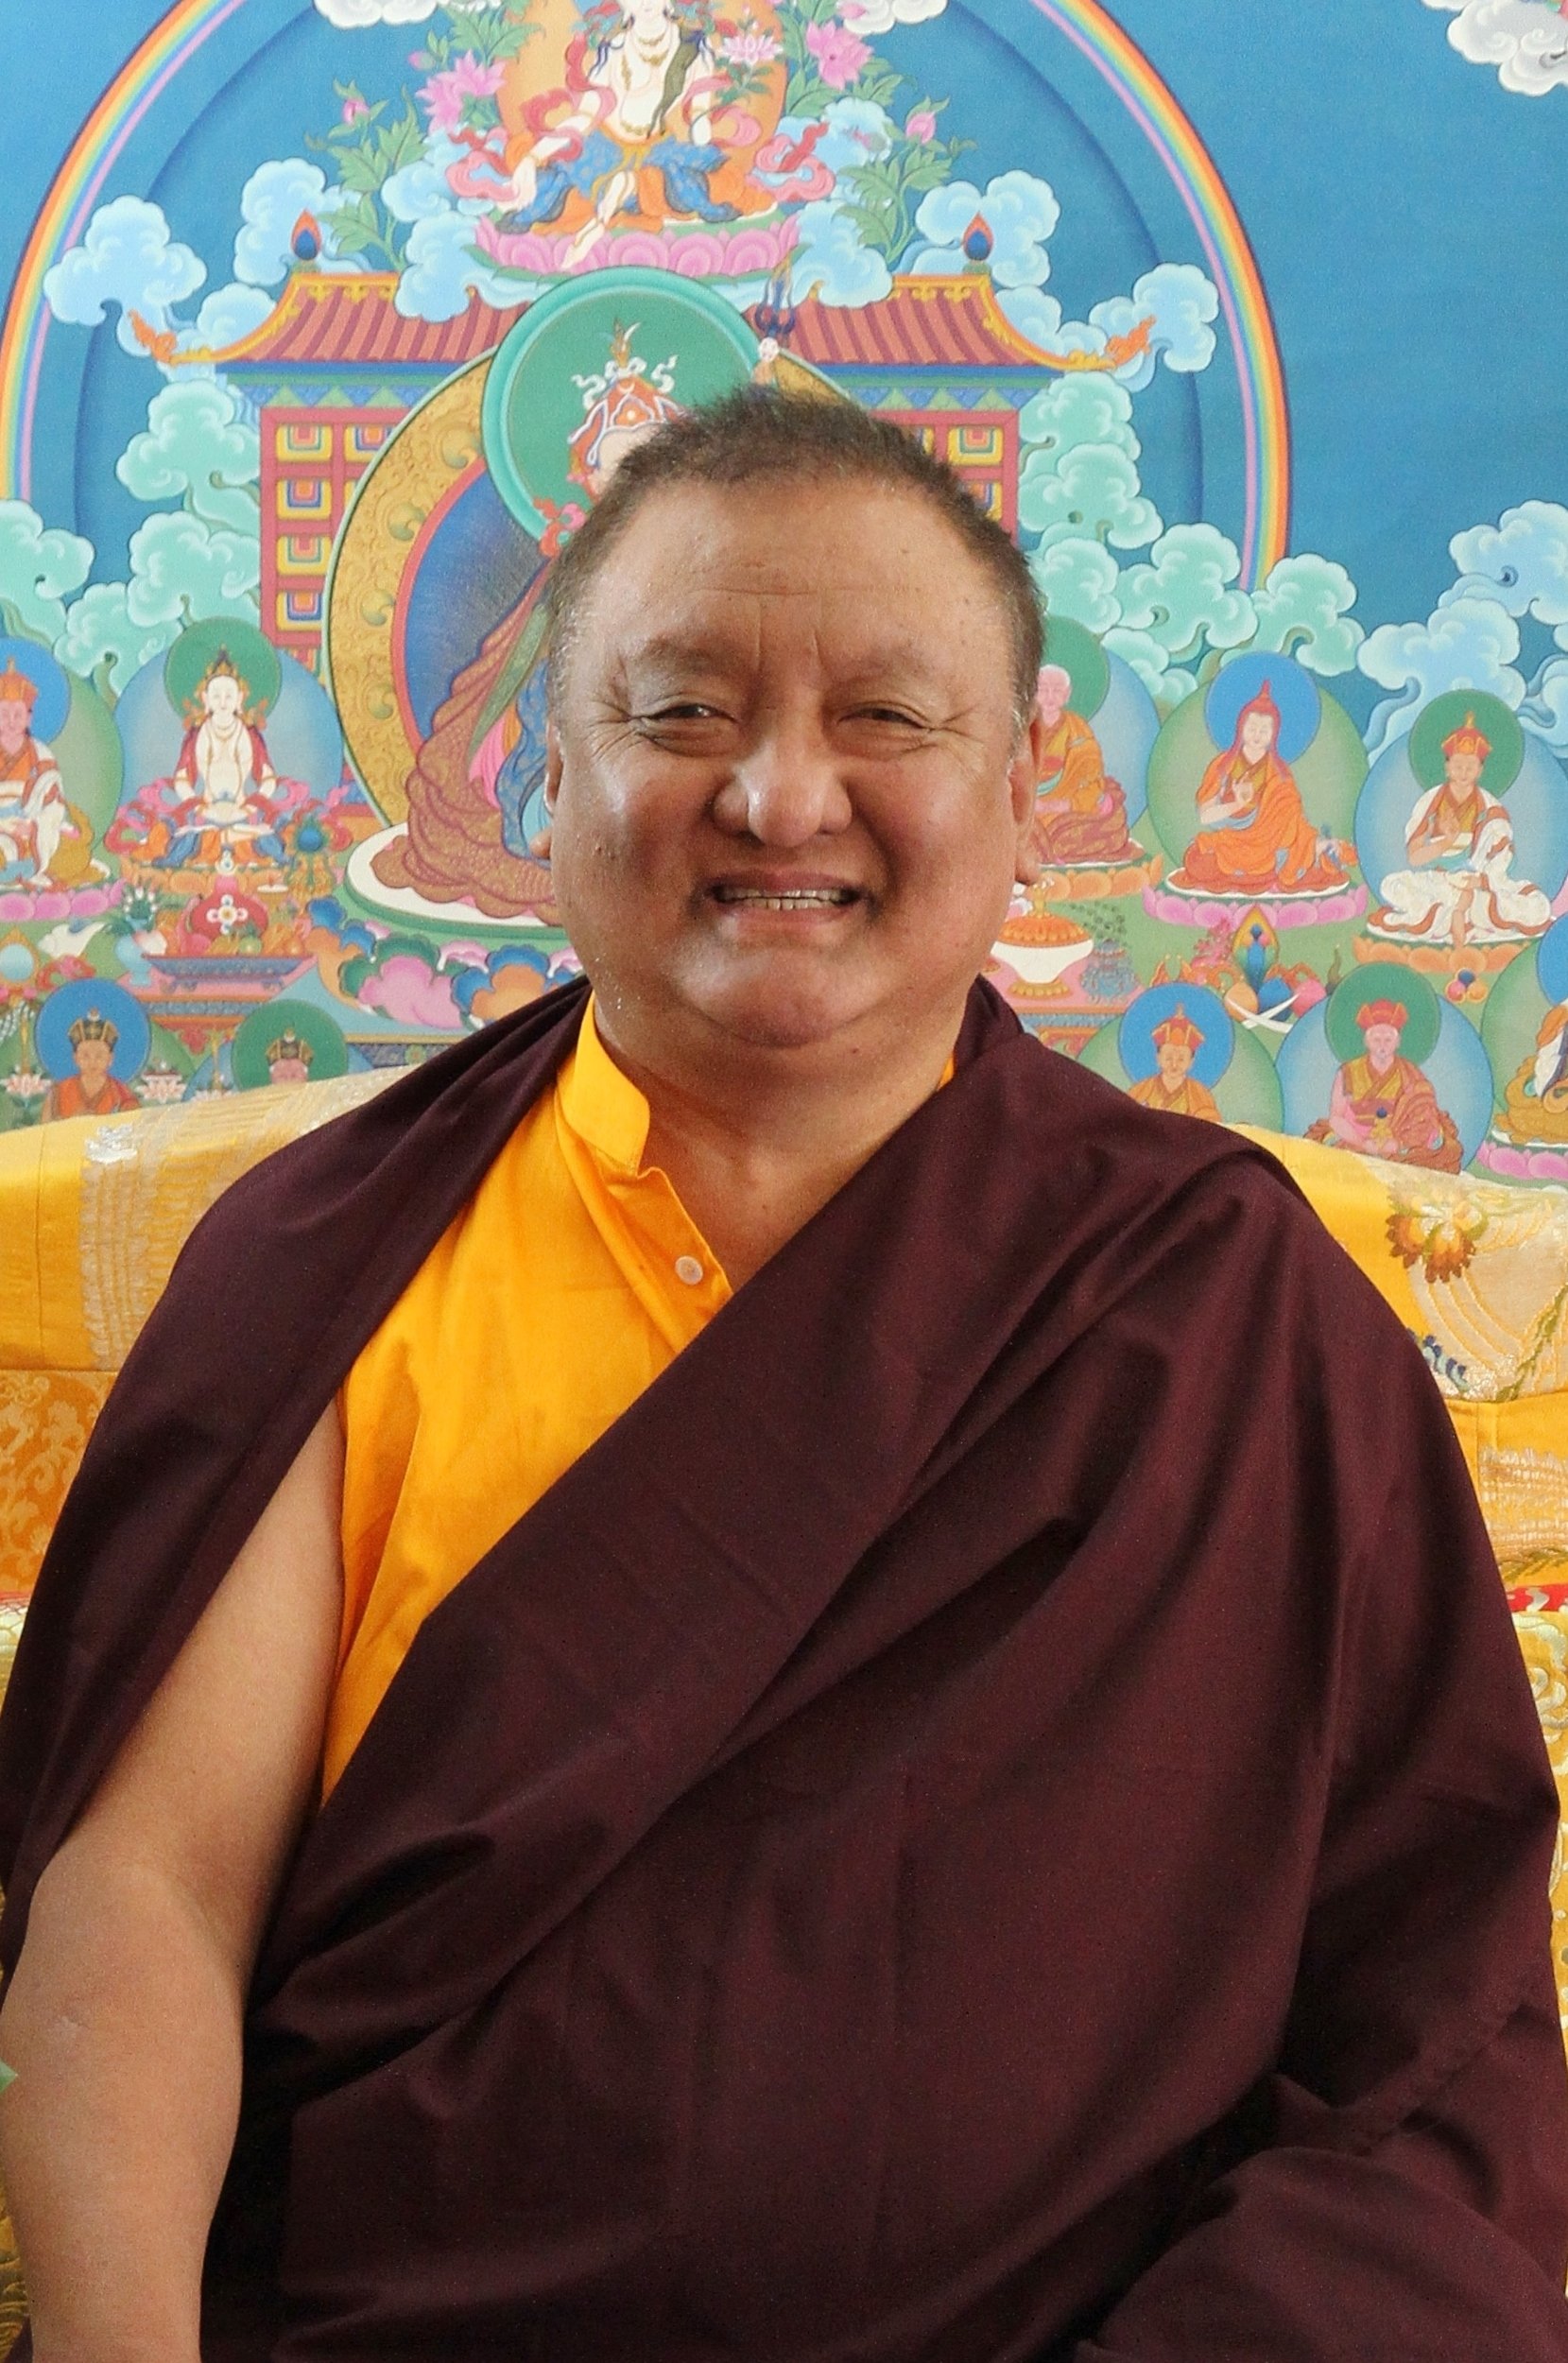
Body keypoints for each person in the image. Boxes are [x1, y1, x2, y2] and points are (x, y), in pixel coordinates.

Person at [2, 393, 1567, 2363]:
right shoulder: (330, 1265)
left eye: (884, 718)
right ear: (542, 778)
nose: (778, 796)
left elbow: (1424, 2019)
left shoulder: (1219, 1305)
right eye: (679, 713)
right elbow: (145, 1904)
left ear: (1021, 794)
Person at [1371, 712, 1552, 947]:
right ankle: (1456, 914)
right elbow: (1414, 858)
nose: (1463, 772)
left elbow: (1500, 861)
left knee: (1538, 906)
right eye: (1457, 765)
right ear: (1447, 767)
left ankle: (1452, 915)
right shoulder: (1431, 802)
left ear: (1480, 770)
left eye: (1470, 766)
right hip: (1438, 884)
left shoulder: (1491, 809)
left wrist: (1479, 882)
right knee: (1392, 885)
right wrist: (1446, 842)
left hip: (1479, 887)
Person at [1172, 680, 1353, 898]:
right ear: (1240, 728)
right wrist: (1237, 804)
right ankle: (1255, 875)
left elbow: (1295, 824)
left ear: (1274, 734)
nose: (1257, 735)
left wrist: (1315, 843)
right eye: (1252, 728)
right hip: (1231, 842)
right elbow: (1205, 817)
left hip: (1269, 850)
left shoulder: (1280, 774)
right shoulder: (1222, 766)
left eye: (1264, 730)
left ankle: (1259, 872)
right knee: (1196, 859)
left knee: (1293, 859)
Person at [155, 652, 285, 872]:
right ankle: (220, 842)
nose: (223, 702)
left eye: (229, 695)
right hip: (206, 812)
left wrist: (247, 808)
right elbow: (182, 780)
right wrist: (203, 808)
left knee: (269, 837)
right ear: (205, 698)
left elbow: (268, 779)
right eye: (216, 696)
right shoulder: (197, 734)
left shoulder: (250, 734)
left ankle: (231, 841)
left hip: (243, 810)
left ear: (240, 699)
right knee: (184, 837)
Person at [1306, 995, 1464, 1173]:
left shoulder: (1410, 1074)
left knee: (1438, 1149)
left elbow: (1424, 1116)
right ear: (1366, 1041)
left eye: (1388, 1039)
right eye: (1376, 1039)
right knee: (1326, 1154)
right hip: (1355, 1139)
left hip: (1399, 1143)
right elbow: (1336, 1117)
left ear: (1397, 1042)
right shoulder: (1348, 1072)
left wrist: (1398, 1143)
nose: (1382, 1045)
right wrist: (1362, 1143)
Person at [1028, 662, 1137, 868]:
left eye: (1057, 690)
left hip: (1067, 806)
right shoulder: (1023, 728)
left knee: (1106, 823)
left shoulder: (1078, 729)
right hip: (1030, 805)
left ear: (1067, 694)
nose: (1050, 697)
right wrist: (1030, 803)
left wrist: (1063, 804)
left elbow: (1091, 778)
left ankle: (1050, 847)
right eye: (1043, 690)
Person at [0, 662, 78, 890]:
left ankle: (25, 872)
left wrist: (34, 825)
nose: (11, 721)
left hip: (30, 826)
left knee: (64, 848)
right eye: (4, 714)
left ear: (29, 718)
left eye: (18, 714)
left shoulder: (41, 755)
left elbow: (54, 803)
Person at [40, 1009, 142, 1125]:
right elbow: (45, 1129)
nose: (92, 1062)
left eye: (99, 1056)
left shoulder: (122, 1094)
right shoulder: (58, 1093)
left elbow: (135, 1128)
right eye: (85, 1055)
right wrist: (72, 1123)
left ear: (110, 1058)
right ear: (75, 1058)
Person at [1126, 1004, 1222, 1120]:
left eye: (1181, 1059)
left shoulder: (1199, 1094)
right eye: (1168, 1058)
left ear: (1191, 1061)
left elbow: (1211, 1123)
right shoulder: (1141, 1090)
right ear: (1158, 1058)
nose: (1174, 1064)